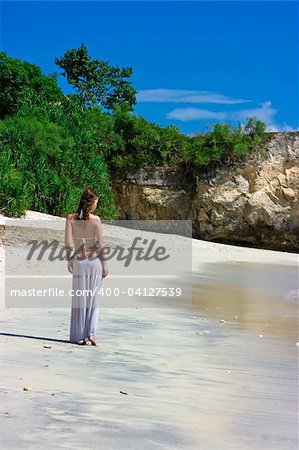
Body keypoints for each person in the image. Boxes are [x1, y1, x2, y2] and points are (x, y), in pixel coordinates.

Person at [64, 188, 108, 346]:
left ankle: (79, 336)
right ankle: (91, 335)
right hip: (94, 262)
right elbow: (101, 244)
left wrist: (70, 259)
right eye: (96, 202)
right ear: (91, 203)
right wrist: (105, 264)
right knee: (93, 299)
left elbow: (68, 242)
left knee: (79, 298)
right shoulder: (96, 220)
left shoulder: (70, 219)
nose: (97, 205)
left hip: (79, 262)